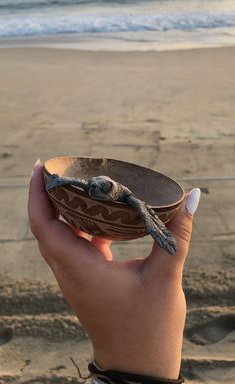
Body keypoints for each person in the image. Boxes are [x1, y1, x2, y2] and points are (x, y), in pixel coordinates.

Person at [28, 159, 201, 384]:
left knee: (142, 211)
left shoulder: (127, 198)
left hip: (123, 198)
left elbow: (137, 205)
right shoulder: (94, 186)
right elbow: (86, 185)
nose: (94, 189)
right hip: (101, 192)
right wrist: (60, 182)